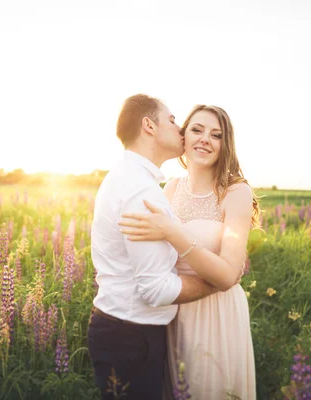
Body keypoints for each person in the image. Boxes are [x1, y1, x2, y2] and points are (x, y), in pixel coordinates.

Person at [118, 104, 260, 399]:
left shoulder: (236, 192)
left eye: (216, 134)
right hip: (174, 310)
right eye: (197, 129)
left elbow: (228, 275)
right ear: (183, 137)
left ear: (225, 144)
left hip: (218, 314)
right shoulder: (170, 188)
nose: (205, 139)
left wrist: (174, 233)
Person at [88, 95, 219, 400]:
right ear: (148, 125)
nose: (181, 128)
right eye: (172, 120)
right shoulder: (141, 191)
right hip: (131, 338)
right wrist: (217, 282)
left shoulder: (129, 178)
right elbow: (156, 290)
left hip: (122, 331)